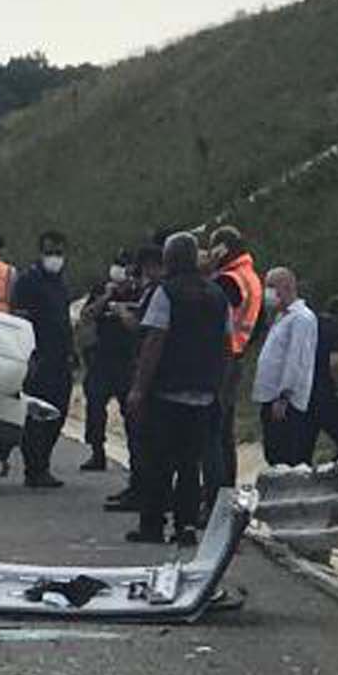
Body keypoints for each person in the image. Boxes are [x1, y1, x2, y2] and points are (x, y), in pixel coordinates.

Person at [126, 232, 229, 544]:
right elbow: (226, 344)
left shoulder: (166, 293)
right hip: (203, 393)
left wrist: (139, 389)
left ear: (170, 259)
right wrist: (218, 385)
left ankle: (153, 525)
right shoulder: (216, 295)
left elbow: (154, 341)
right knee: (189, 464)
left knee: (157, 461)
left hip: (167, 393)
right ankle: (185, 526)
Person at [202, 227, 263, 506]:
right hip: (237, 356)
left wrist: (206, 272)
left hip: (220, 358)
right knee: (224, 432)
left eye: (212, 247)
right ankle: (224, 492)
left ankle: (215, 497)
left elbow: (208, 312)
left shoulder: (228, 280)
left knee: (212, 433)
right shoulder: (251, 276)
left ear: (222, 248)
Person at [105, 242, 166, 512]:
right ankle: (138, 486)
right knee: (137, 436)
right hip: (141, 368)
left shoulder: (159, 293)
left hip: (148, 372)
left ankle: (145, 492)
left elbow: (143, 329)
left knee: (144, 438)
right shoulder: (152, 291)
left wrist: (121, 313)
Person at [12, 230, 74, 488]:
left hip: (61, 356)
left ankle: (43, 463)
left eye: (59, 252)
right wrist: (28, 356)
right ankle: (34, 467)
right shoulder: (29, 281)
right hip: (39, 358)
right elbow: (20, 319)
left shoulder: (59, 282)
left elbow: (62, 319)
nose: (55, 257)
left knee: (59, 411)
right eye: (50, 252)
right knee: (38, 414)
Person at [79, 250, 138, 471]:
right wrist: (106, 297)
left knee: (131, 413)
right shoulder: (101, 289)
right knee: (95, 406)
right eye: (117, 264)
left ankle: (136, 455)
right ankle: (97, 452)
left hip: (127, 359)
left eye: (124, 265)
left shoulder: (137, 291)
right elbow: (87, 316)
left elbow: (139, 326)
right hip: (102, 357)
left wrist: (123, 313)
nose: (119, 270)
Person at [251, 267, 317, 467]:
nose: (267, 293)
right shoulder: (282, 317)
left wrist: (284, 396)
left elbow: (296, 360)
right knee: (273, 452)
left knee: (285, 454)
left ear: (287, 286)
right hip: (270, 397)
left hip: (285, 401)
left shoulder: (301, 318)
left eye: (271, 287)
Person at [305, 295, 338, 462]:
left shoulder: (313, 325)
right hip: (325, 394)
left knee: (302, 450)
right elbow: (336, 364)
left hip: (302, 393)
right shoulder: (336, 329)